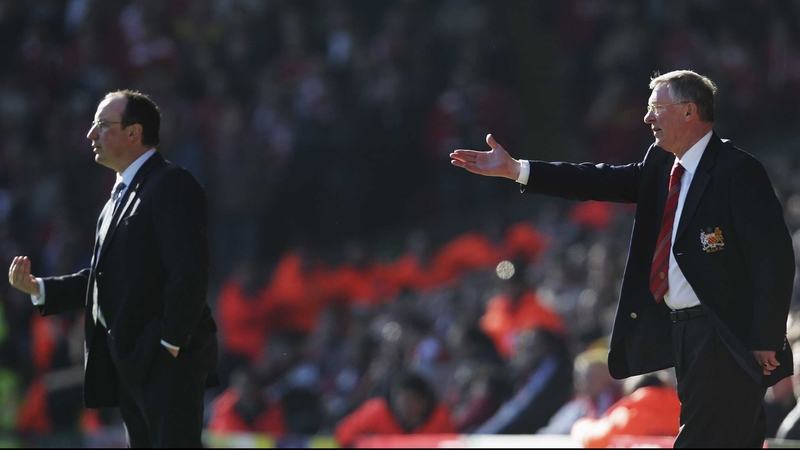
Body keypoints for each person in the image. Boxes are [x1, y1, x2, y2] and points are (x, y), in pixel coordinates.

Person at [450, 69, 795, 447]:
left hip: (727, 335)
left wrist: (765, 335)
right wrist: (517, 169)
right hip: (684, 333)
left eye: (655, 108)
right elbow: (595, 180)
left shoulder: (738, 170)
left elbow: (773, 258)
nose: (646, 118)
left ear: (688, 112)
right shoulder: (662, 165)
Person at [7, 90, 218, 447]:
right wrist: (40, 288)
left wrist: (169, 344)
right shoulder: (116, 199)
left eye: (102, 125)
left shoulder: (171, 183)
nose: (91, 134)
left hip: (165, 361)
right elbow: (103, 279)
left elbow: (189, 272)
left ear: (135, 133)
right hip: (133, 363)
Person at [333, 371, 456, 447]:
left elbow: (453, 444)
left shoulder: (440, 417)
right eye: (402, 400)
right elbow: (343, 435)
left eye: (412, 401)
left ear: (424, 402)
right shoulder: (376, 411)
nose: (405, 407)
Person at [570, 370, 681, 448]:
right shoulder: (686, 413)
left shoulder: (627, 416)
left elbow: (594, 438)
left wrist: (579, 425)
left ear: (632, 393)